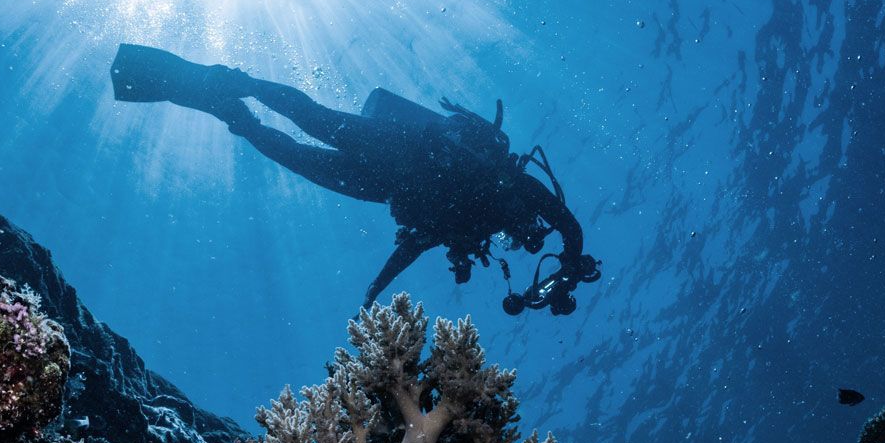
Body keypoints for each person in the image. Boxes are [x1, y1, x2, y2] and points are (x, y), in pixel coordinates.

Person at [111, 44, 599, 313]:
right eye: (531, 232)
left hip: (382, 185)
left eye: (523, 239)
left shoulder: (471, 230)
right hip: (403, 149)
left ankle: (233, 113)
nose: (524, 235)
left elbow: (410, 247)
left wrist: (374, 290)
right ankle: (242, 83)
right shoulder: (513, 185)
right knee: (314, 119)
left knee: (294, 155)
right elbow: (570, 225)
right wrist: (572, 263)